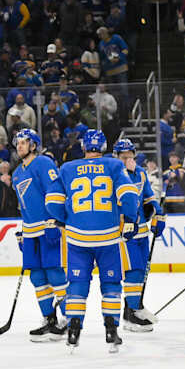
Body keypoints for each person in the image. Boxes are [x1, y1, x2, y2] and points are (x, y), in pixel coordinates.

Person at [47, 130, 140, 352]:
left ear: (83, 147)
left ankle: (74, 329)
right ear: (104, 146)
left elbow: (51, 201)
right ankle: (111, 329)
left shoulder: (67, 168)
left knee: (77, 284)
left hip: (78, 237)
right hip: (108, 236)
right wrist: (130, 219)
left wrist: (66, 219)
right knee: (111, 283)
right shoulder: (114, 165)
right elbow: (129, 195)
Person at [11, 128, 69, 341]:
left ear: (34, 145)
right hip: (30, 231)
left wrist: (55, 220)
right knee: (36, 276)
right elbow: (24, 205)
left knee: (54, 273)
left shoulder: (44, 163)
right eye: (18, 143)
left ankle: (71, 319)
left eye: (24, 142)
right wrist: (23, 230)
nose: (19, 146)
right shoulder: (17, 173)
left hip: (48, 226)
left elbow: (56, 192)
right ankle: (49, 319)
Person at [113, 139, 163, 332]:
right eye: (123, 156)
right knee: (132, 270)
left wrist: (157, 212)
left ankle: (134, 307)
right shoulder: (113, 174)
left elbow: (148, 196)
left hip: (142, 231)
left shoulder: (141, 173)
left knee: (141, 270)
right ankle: (132, 311)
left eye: (130, 155)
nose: (128, 159)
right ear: (116, 157)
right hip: (124, 232)